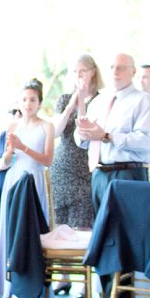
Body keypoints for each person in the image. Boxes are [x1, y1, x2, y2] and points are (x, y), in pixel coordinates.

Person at [77, 53, 150, 298]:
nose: (116, 71)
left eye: (122, 68)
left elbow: (146, 142)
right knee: (103, 237)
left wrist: (109, 136)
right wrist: (85, 131)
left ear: (133, 72)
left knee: (122, 239)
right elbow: (82, 140)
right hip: (100, 173)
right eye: (112, 66)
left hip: (127, 173)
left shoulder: (142, 100)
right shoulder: (100, 101)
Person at [0, 80, 55, 298]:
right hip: (15, 178)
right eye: (25, 99)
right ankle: (11, 286)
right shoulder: (13, 126)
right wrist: (9, 154)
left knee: (34, 229)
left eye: (33, 100)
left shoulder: (47, 126)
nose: (28, 104)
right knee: (12, 229)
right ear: (19, 102)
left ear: (39, 102)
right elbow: (7, 158)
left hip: (35, 178)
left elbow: (48, 160)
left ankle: (38, 289)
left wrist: (23, 148)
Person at [50, 55, 101, 232]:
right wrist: (72, 103)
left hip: (86, 171)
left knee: (82, 226)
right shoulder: (64, 99)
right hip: (62, 168)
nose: (79, 75)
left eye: (83, 71)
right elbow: (55, 132)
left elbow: (84, 133)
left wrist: (82, 101)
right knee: (59, 227)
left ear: (93, 72)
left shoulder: (100, 101)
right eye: (75, 71)